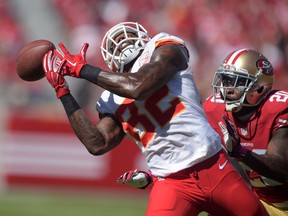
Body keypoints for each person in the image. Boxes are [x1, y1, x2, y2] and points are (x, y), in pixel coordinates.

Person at [42, 22, 268, 216]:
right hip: (171, 182)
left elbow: (137, 86)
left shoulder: (166, 47)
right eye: (116, 42)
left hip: (214, 166)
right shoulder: (110, 98)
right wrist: (63, 92)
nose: (122, 43)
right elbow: (97, 143)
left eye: (125, 36)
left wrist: (82, 69)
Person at [118, 48, 288, 216]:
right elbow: (194, 156)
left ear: (260, 87)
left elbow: (282, 169)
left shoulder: (278, 108)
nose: (228, 89)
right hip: (265, 201)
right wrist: (153, 176)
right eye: (226, 81)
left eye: (238, 82)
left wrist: (241, 153)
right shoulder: (215, 108)